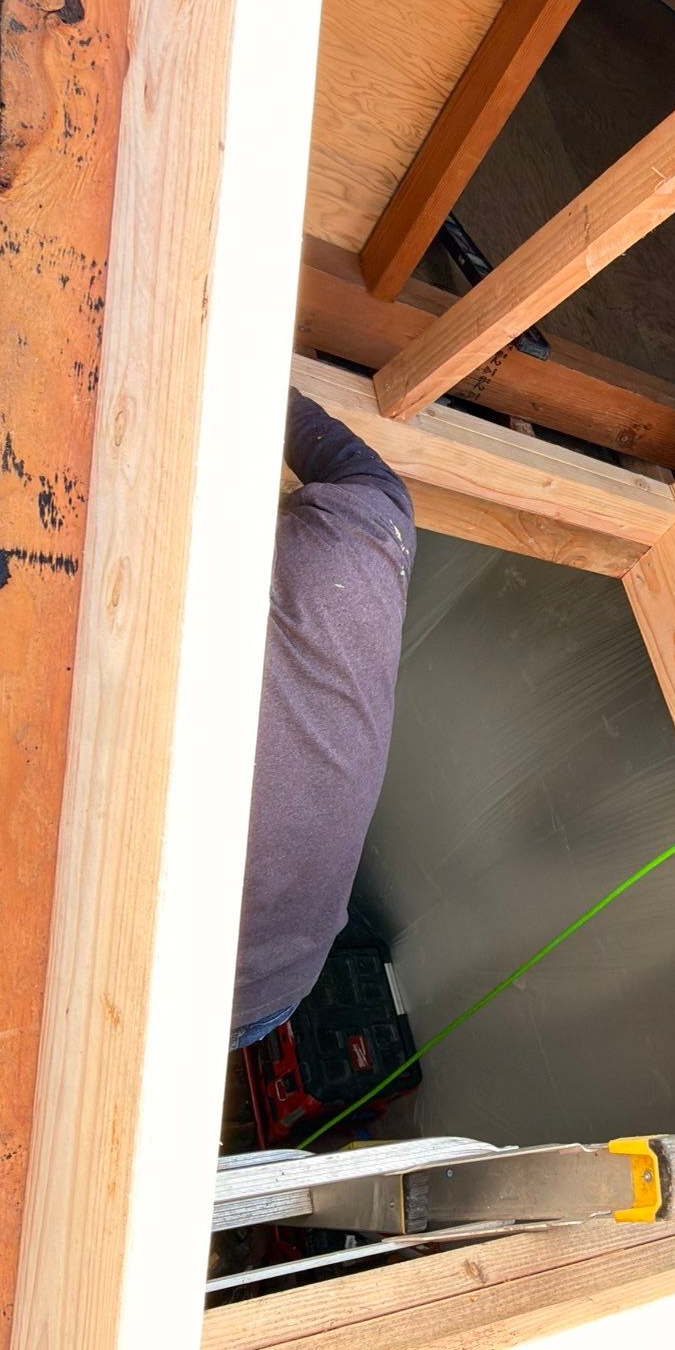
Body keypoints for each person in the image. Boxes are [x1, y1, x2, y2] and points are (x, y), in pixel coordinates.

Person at [229, 390, 416, 1048]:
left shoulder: (178, 649)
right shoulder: (369, 526)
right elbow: (296, 416)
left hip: (218, 988)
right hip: (273, 997)